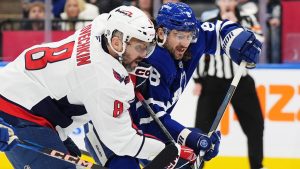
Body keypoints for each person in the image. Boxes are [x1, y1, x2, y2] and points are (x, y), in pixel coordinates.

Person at [84, 2, 262, 168]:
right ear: (161, 33)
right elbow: (150, 121)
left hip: (143, 132)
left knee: (187, 162)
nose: (185, 42)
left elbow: (216, 30)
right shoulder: (152, 61)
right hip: (109, 131)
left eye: (188, 35)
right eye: (179, 36)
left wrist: (238, 39)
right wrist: (191, 137)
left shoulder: (191, 41)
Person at [0, 5, 181, 169]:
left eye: (147, 48)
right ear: (117, 43)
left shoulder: (102, 25)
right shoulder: (103, 81)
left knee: (73, 159)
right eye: (140, 47)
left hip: (25, 88)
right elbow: (121, 140)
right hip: (18, 110)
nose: (144, 54)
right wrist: (163, 151)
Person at [193, 0, 265, 169]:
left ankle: (257, 165)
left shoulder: (247, 17)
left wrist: (237, 26)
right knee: (202, 130)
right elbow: (199, 47)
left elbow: (260, 39)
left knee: (256, 126)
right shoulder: (209, 18)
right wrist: (198, 79)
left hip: (241, 81)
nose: (227, 1)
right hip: (213, 82)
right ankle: (196, 165)